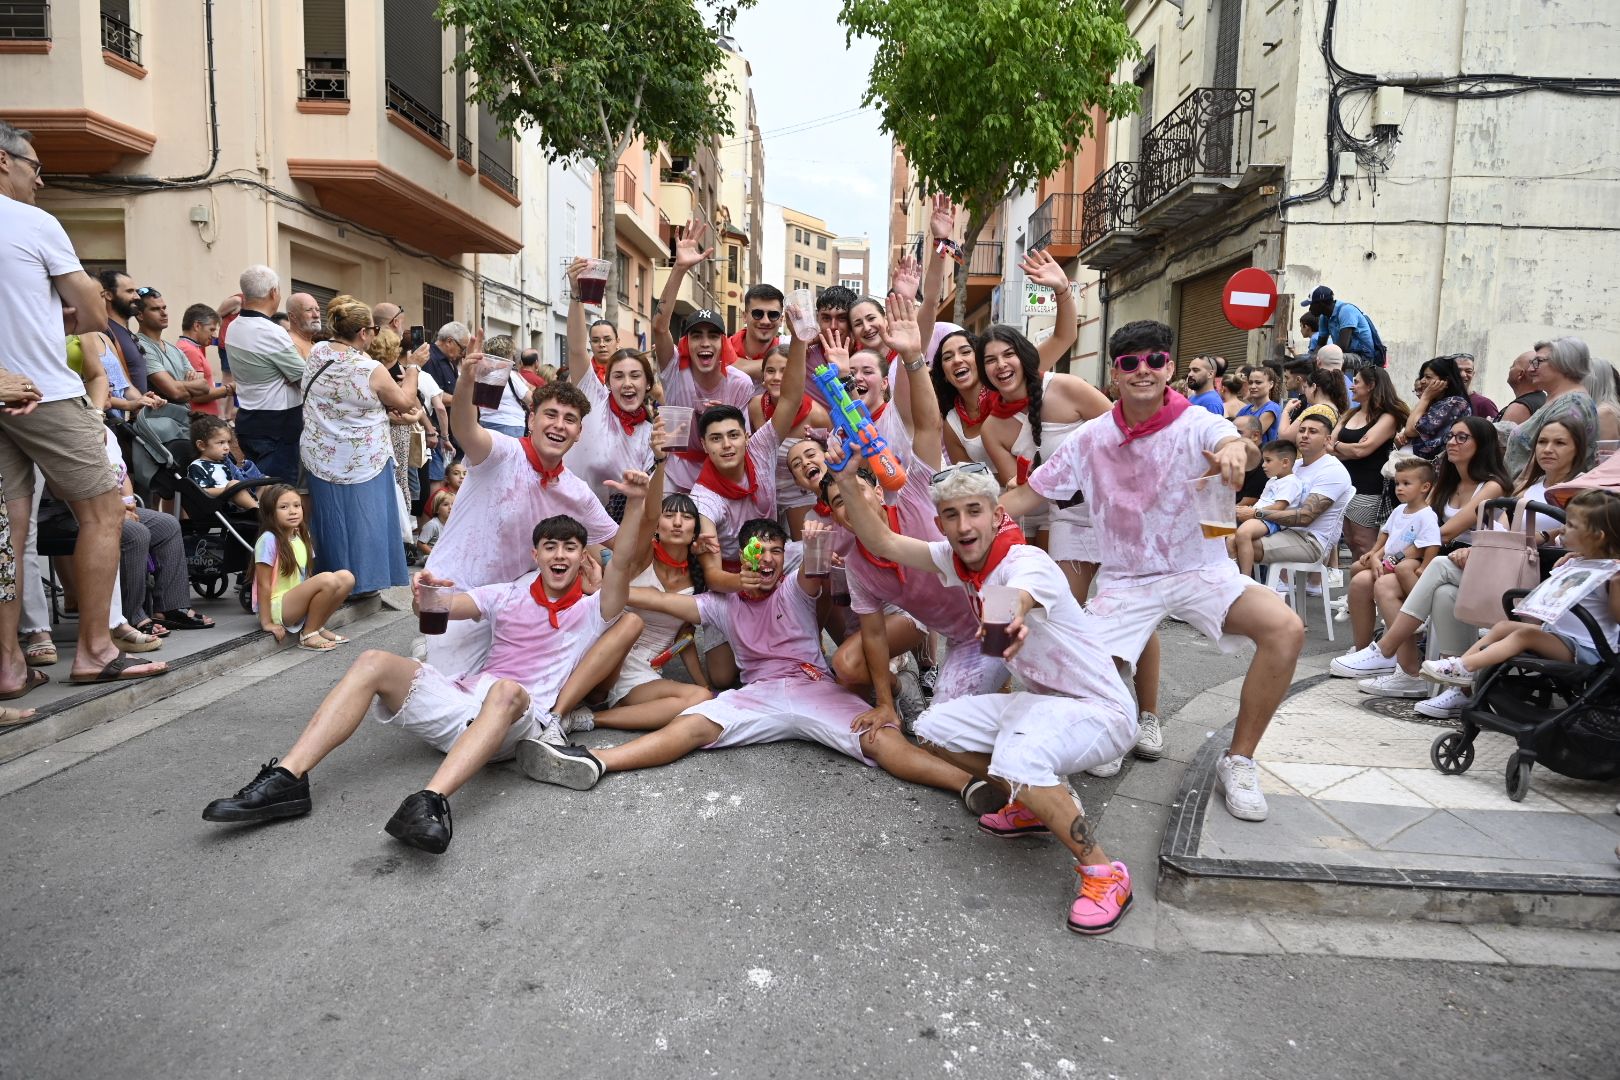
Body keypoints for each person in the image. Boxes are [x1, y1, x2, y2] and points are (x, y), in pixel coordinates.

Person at [203, 485, 651, 855]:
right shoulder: (504, 595)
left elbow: (626, 561)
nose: (559, 555)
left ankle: (430, 801)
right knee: (373, 660)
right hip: (460, 703)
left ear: (580, 559)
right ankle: (288, 779)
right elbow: (444, 610)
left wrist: (634, 502)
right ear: (535, 554)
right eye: (550, 546)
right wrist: (426, 596)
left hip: (516, 719)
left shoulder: (595, 610)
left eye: (569, 548)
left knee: (508, 691)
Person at [818, 459, 1141, 934]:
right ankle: (1030, 805)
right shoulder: (957, 558)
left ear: (996, 514)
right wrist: (845, 479)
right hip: (1042, 704)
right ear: (940, 522)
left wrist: (1008, 620)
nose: (963, 525)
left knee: (1019, 754)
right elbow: (884, 542)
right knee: (932, 728)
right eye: (951, 515)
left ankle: (1104, 871)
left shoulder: (1022, 561)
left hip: (1100, 712)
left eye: (974, 511)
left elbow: (1019, 596)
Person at [1016, 319, 1303, 823]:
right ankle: (1109, 734)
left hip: (1201, 569)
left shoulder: (1197, 423)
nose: (1142, 370)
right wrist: (970, 510)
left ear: (1170, 367)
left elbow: (1238, 444)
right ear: (1115, 372)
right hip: (1126, 579)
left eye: (1154, 360)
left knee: (1285, 629)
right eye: (1130, 362)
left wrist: (1239, 450)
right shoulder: (1090, 438)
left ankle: (1238, 761)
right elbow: (1032, 492)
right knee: (1074, 673)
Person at [517, 517, 991, 820]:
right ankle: (596, 761)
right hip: (757, 694)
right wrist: (599, 586)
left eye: (773, 554)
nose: (764, 561)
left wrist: (818, 537)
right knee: (692, 725)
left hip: (811, 685)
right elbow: (650, 599)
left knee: (880, 737)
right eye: (754, 552)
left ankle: (970, 785)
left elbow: (816, 567)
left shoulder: (794, 588)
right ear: (739, 557)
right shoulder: (721, 605)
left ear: (783, 561)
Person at [0, 120, 164, 690]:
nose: (40, 181)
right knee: (104, 514)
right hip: (46, 391)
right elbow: (94, 313)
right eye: (35, 167)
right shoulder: (33, 222)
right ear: (4, 161)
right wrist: (71, 313)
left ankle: (10, 665)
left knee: (9, 535)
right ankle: (94, 649)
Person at [423, 365, 617, 681]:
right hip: (452, 593)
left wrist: (644, 500)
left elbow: (622, 545)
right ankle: (433, 651)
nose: (559, 425)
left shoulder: (576, 491)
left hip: (512, 604)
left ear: (579, 432)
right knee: (449, 697)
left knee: (506, 694)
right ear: (531, 420)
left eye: (570, 419)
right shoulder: (501, 452)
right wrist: (466, 383)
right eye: (550, 415)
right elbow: (464, 427)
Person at [1330, 417, 1512, 710]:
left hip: (1467, 557)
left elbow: (1448, 531)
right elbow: (1419, 525)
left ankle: (1391, 654)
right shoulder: (1445, 483)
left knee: (1390, 578)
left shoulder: (1491, 486)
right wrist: (1382, 555)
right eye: (1451, 436)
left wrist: (1394, 557)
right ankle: (1399, 667)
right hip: (1433, 554)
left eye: (1462, 438)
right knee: (1366, 577)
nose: (1452, 442)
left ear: (1482, 445)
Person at [1422, 489, 1619, 683]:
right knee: (1503, 627)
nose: (1563, 528)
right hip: (1558, 634)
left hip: (1588, 648)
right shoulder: (1576, 561)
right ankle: (1461, 668)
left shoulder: (1612, 572)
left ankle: (1465, 667)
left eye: (1571, 525)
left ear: (1597, 536)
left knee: (1525, 635)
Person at [299, 295, 417, 594]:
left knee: (332, 521)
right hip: (364, 457)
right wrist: (413, 369)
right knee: (366, 520)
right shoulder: (370, 369)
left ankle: (334, 581)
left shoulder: (317, 352)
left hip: (321, 452)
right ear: (364, 332)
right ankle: (364, 583)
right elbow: (404, 402)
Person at [1341, 458, 1442, 651]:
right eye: (1397, 484)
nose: (1399, 488)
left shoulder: (1427, 514)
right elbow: (1385, 534)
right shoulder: (1398, 510)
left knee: (1404, 569)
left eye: (1406, 484)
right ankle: (1352, 604)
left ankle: (1420, 612)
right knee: (1356, 567)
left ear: (1425, 487)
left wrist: (1424, 567)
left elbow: (1432, 544)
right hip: (1390, 557)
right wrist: (1374, 554)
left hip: (1411, 560)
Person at [253, 482, 356, 651]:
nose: (292, 511)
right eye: (284, 507)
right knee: (327, 579)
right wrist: (266, 622)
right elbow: (263, 585)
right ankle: (308, 634)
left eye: (297, 505)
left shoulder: (301, 534)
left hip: (296, 602)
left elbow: (306, 575)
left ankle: (317, 625)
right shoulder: (268, 539)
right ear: (270, 512)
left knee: (346, 577)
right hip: (278, 606)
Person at [228, 265, 307, 482]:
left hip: (249, 418)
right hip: (277, 425)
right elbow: (303, 376)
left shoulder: (234, 327)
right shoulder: (271, 331)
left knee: (260, 489)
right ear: (274, 292)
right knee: (277, 493)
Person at [1251, 411, 1353, 573]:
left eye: (1313, 432)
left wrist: (1256, 514)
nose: (1304, 435)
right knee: (1227, 538)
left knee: (1240, 544)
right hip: (1283, 530)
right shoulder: (1294, 465)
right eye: (1301, 430)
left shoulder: (1332, 470)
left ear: (1327, 440)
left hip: (1310, 541)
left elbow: (1305, 517)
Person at [563, 341, 657, 511]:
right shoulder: (595, 400)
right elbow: (576, 349)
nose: (627, 383)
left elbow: (647, 499)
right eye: (619, 376)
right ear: (608, 383)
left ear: (648, 383)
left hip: (615, 526)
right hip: (567, 514)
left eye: (635, 375)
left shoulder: (651, 435)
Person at [1329, 364, 1409, 561]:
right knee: (1349, 540)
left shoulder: (1387, 417)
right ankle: (1356, 589)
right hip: (1344, 486)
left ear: (1371, 385)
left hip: (1369, 488)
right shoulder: (1349, 413)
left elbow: (1361, 449)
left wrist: (1341, 447)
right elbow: (1328, 446)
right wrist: (1351, 450)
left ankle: (1367, 589)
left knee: (1364, 543)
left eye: (1356, 382)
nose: (1351, 386)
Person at [749, 344, 830, 538]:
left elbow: (828, 458)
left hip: (799, 494)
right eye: (770, 371)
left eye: (785, 371)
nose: (776, 377)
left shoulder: (816, 415)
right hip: (764, 493)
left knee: (804, 547)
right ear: (762, 375)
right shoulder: (755, 406)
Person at [1504, 337, 1598, 479]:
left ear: (1564, 363)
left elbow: (1550, 463)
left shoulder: (1572, 404)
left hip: (1538, 496)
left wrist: (1519, 492)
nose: (1530, 369)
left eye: (1538, 362)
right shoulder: (1560, 399)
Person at [1231, 439, 1303, 578]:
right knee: (1229, 539)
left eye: (1268, 461)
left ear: (1285, 462)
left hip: (1270, 519)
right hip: (1258, 516)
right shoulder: (1272, 480)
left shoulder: (1291, 482)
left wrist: (1252, 513)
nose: (1263, 465)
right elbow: (1261, 502)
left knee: (1243, 533)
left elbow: (1279, 507)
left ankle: (1246, 578)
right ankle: (1233, 575)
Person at [1396, 355, 1473, 460]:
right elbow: (1408, 430)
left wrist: (1425, 398)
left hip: (1435, 468)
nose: (1422, 381)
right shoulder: (1434, 402)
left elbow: (1410, 430)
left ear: (1445, 381)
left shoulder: (1455, 403)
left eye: (1428, 377)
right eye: (1422, 376)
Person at [188, 414, 260, 512]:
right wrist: (228, 489)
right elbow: (201, 491)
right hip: (222, 508)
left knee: (267, 483)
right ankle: (259, 512)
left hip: (242, 501)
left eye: (228, 442)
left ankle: (267, 509)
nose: (227, 447)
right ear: (202, 445)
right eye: (221, 443)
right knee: (234, 485)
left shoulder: (226, 463)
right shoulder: (197, 466)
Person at [97, 269, 150, 393]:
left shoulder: (124, 331)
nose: (137, 297)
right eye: (130, 291)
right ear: (109, 295)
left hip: (138, 407)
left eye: (136, 291)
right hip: (123, 410)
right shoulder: (104, 331)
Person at [175, 304, 229, 417]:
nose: (214, 335)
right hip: (201, 419)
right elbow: (198, 395)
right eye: (211, 329)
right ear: (197, 326)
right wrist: (230, 389)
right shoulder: (190, 351)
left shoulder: (189, 347)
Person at [1303, 285, 1378, 367]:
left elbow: (1342, 347)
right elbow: (1320, 345)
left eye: (1311, 305)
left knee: (1328, 358)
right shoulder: (1324, 317)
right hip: (1344, 354)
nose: (1310, 309)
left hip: (1364, 357)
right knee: (1310, 360)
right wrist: (1311, 358)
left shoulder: (1346, 311)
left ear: (1320, 304)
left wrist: (1317, 357)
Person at [472, 334, 530, 438]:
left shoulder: (482, 373)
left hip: (485, 421)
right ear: (508, 354)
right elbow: (529, 398)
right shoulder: (510, 375)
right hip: (510, 424)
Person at [729, 283, 787, 384]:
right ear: (745, 316)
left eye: (773, 315)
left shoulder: (789, 345)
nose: (765, 321)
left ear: (781, 320)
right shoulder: (722, 347)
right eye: (757, 314)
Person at [1277, 368, 1348, 444]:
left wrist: (1286, 411)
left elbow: (1285, 438)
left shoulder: (1316, 410)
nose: (1304, 391)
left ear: (1314, 387)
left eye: (1305, 387)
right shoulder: (1334, 409)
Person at [1496, 349, 1547, 425]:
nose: (1510, 368)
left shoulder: (1519, 408)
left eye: (1513, 365)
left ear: (1520, 374)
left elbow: (1501, 436)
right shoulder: (1542, 399)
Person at [1237, 365, 1284, 441]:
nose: (1253, 386)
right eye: (1250, 382)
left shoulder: (1272, 408)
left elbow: (1253, 436)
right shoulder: (1245, 409)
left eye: (1258, 382)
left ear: (1271, 384)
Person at [1451, 353, 1498, 419]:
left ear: (1473, 374)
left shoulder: (1484, 404)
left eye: (1468, 371)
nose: (1463, 375)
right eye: (1458, 370)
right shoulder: (1439, 399)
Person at [286, 292, 323, 360]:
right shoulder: (287, 344)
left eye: (317, 310)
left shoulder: (315, 345)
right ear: (292, 316)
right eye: (309, 310)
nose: (316, 315)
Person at [417, 489, 453, 559]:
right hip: (429, 555)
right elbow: (420, 544)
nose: (450, 507)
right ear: (437, 510)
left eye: (453, 504)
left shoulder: (452, 524)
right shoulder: (433, 525)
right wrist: (434, 554)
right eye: (445, 505)